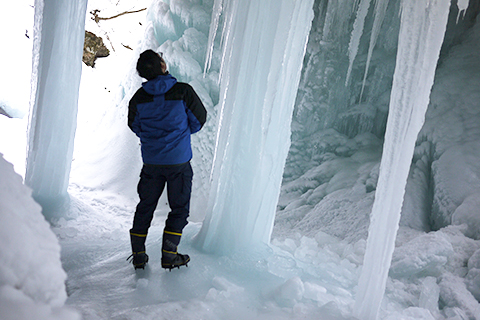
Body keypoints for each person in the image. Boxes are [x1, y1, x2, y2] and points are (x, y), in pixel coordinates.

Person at [127, 49, 207, 270]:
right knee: (179, 209)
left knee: (145, 206)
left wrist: (154, 138)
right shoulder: (183, 91)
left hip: (151, 163)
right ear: (162, 66)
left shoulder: (138, 99)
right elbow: (199, 120)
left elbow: (135, 126)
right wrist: (178, 135)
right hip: (178, 163)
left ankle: (139, 255)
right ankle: (169, 255)